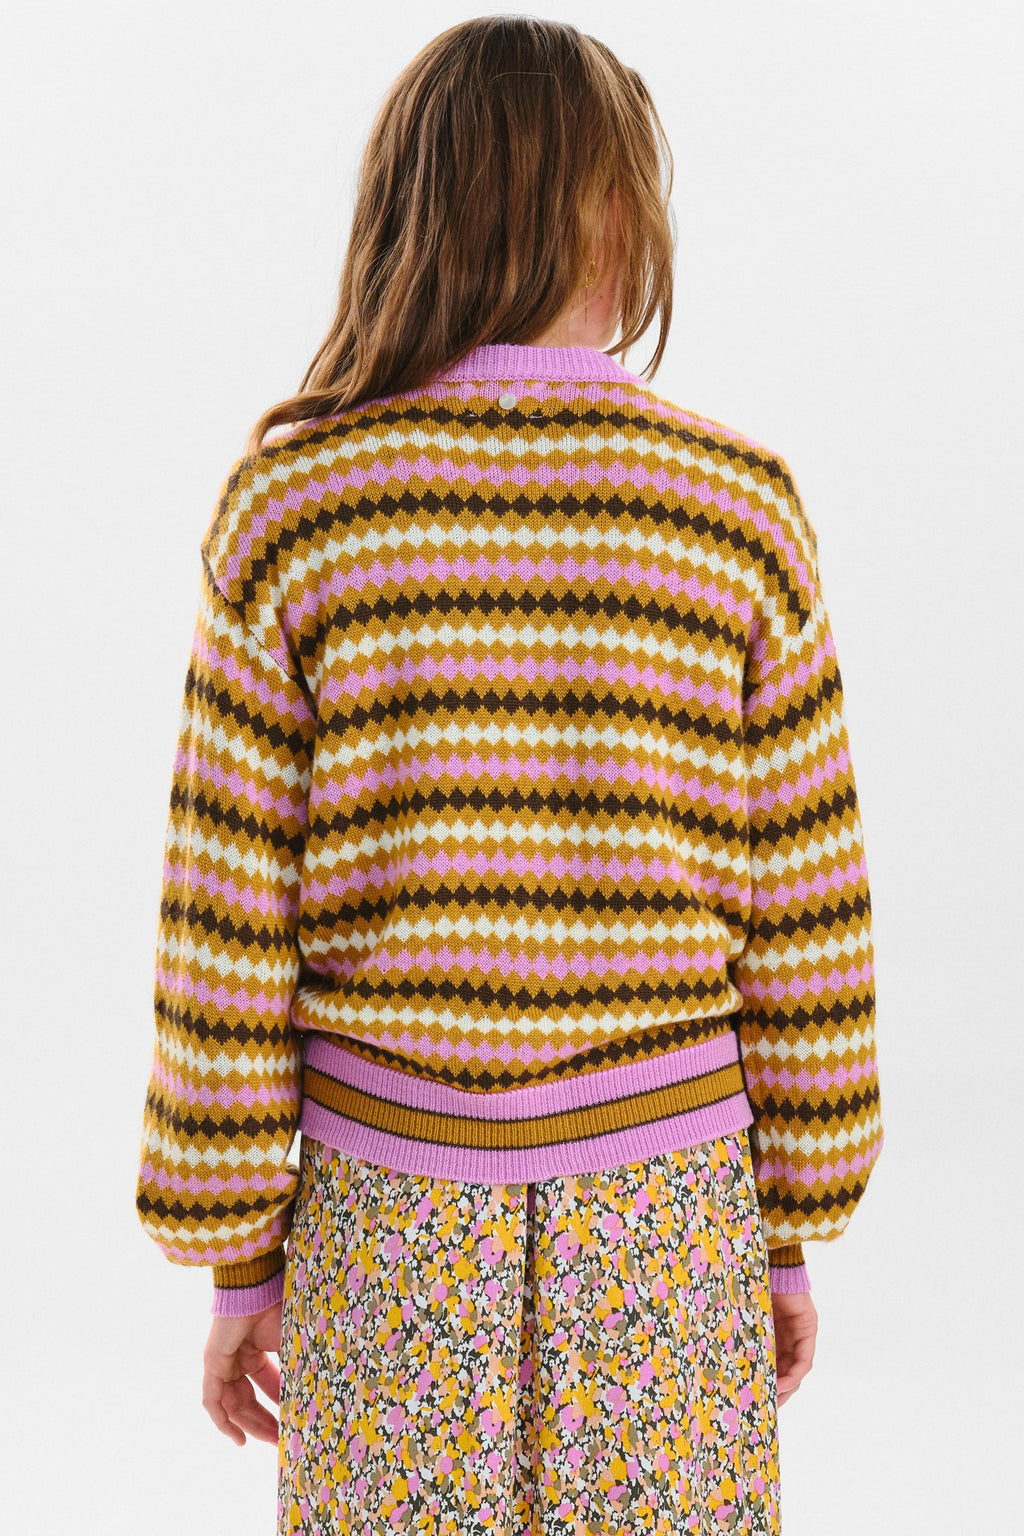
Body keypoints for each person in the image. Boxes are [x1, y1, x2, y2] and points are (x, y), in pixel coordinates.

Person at [135, 16, 884, 1533]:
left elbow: (225, 920)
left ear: (408, 217)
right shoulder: (736, 509)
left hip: (382, 1217)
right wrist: (788, 1230)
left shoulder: (296, 507)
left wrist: (239, 1260)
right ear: (621, 219)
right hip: (669, 1215)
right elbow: (809, 913)